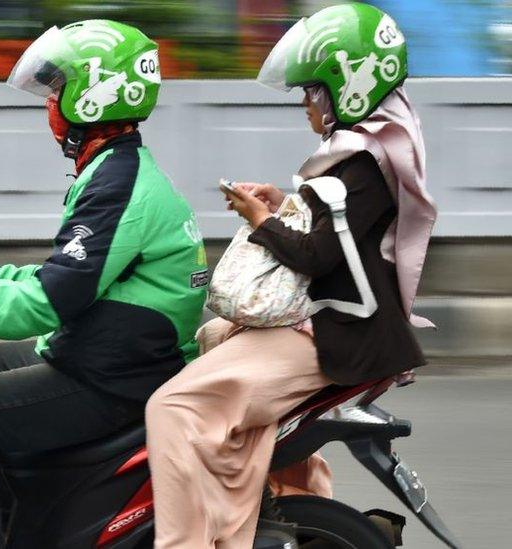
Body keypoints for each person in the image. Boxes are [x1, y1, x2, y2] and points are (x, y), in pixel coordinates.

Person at [0, 19, 208, 549]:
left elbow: (53, 300)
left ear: (94, 96)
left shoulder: (120, 187)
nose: (50, 102)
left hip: (117, 380)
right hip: (111, 356)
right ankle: (29, 523)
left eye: (58, 89)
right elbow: (69, 278)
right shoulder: (116, 172)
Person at [144, 4, 437, 548]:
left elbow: (319, 257)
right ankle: (290, 510)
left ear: (346, 88)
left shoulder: (364, 162)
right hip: (336, 325)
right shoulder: (367, 153)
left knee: (172, 406)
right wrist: (281, 205)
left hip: (340, 333)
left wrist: (261, 221)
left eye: (311, 92)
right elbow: (336, 228)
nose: (305, 104)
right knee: (209, 339)